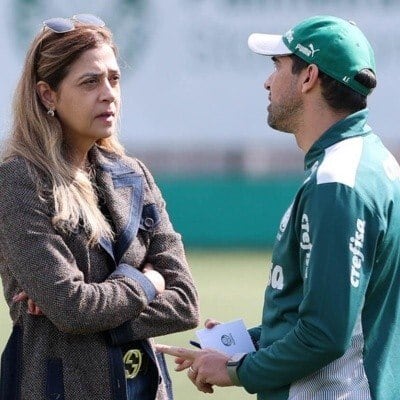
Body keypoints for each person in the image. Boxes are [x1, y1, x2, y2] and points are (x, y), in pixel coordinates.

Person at [156, 15, 400, 400]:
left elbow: (324, 335)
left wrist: (236, 370)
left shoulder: (337, 184)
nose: (267, 82)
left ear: (309, 77)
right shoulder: (371, 161)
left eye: (277, 66)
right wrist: (242, 346)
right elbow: (339, 318)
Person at [0, 14, 199, 400]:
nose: (108, 94)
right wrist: (147, 282)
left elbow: (185, 302)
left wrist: (84, 311)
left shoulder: (134, 174)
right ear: (48, 95)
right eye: (90, 82)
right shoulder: (19, 181)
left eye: (114, 78)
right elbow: (72, 308)